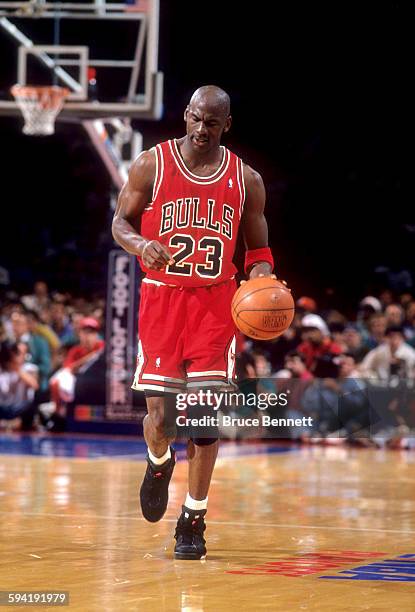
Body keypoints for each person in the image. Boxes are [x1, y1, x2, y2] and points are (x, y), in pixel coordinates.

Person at [112, 85, 275, 560]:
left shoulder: (247, 180)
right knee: (161, 420)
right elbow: (121, 222)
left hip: (214, 305)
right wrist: (141, 245)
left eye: (213, 122)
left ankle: (193, 519)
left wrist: (262, 276)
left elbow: (259, 252)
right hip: (162, 301)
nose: (203, 129)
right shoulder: (151, 164)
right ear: (186, 116)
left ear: (227, 125)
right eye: (197, 119)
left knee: (204, 419)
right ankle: (159, 462)